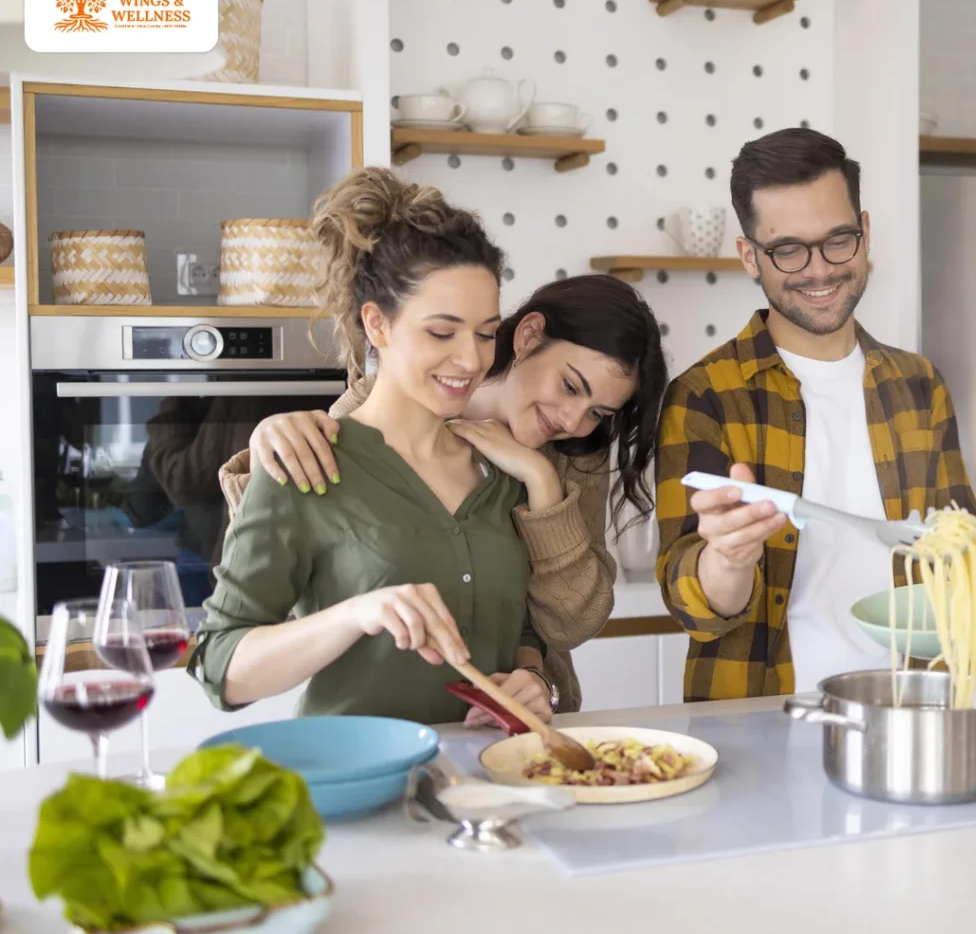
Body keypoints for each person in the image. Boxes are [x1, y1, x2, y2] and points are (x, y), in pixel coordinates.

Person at [656, 127, 976, 700]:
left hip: (912, 718)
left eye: (838, 240)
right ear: (749, 256)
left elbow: (959, 562)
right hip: (763, 723)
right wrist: (727, 559)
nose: (820, 269)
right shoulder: (707, 395)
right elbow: (695, 608)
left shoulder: (919, 385)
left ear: (865, 232)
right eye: (788, 249)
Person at [190, 166, 549, 726]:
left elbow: (521, 627)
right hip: (359, 786)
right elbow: (219, 665)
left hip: (490, 786)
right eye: (441, 332)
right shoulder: (307, 462)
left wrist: (532, 679)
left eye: (485, 333)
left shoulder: (499, 470)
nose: (472, 360)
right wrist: (356, 614)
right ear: (377, 324)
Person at [217, 272, 668, 714]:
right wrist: (268, 440)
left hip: (523, 730)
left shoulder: (574, 455)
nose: (572, 420)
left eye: (597, 412)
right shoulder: (370, 417)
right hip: (372, 734)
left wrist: (542, 482)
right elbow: (282, 566)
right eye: (570, 386)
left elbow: (566, 625)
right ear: (529, 335)